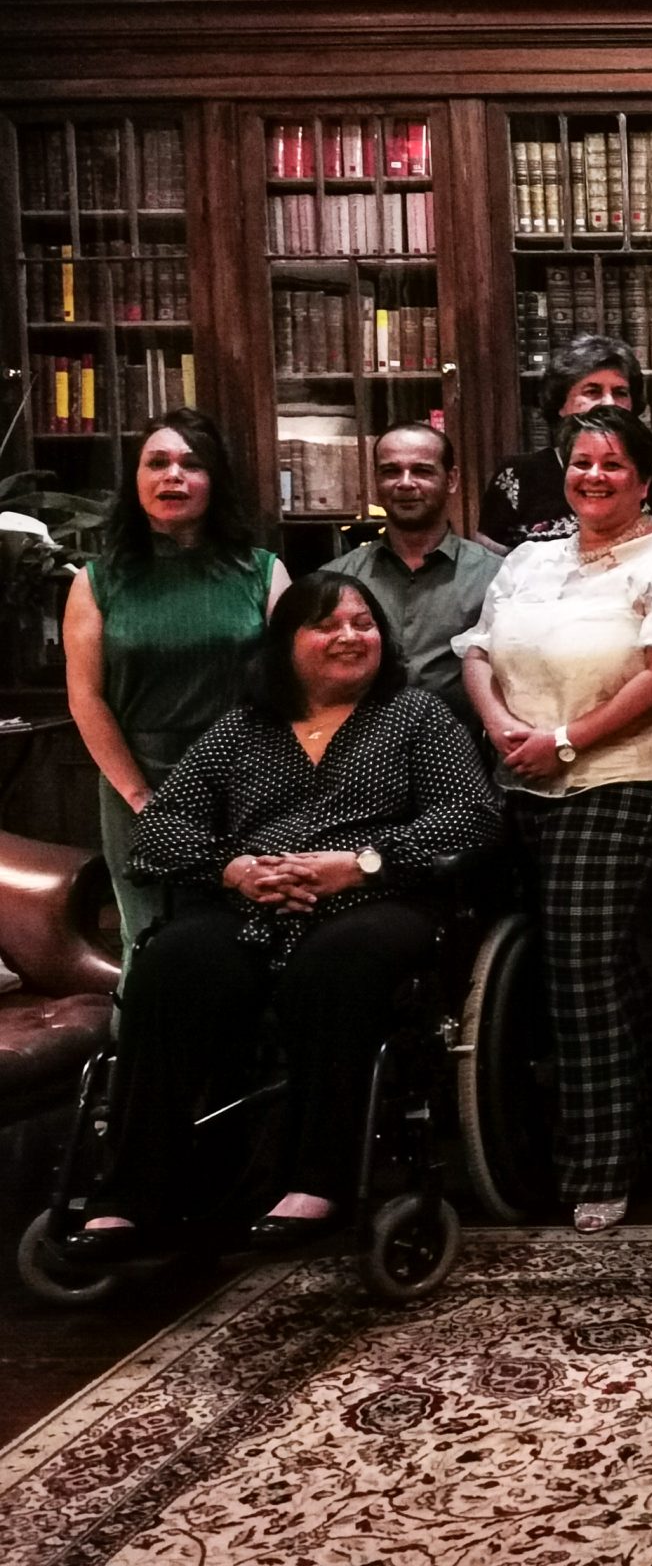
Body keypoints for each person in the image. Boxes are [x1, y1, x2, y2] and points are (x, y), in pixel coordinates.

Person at [67, 574, 499, 1261]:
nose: (350, 636)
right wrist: (233, 868)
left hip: (379, 901)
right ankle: (128, 1195)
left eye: (363, 623)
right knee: (172, 963)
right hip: (255, 906)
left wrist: (360, 863)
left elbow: (469, 818)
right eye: (326, 625)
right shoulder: (243, 729)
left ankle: (317, 1181)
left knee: (336, 964)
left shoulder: (416, 716)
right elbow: (159, 829)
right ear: (285, 643)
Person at [457, 404, 652, 1233]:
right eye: (582, 462)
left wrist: (566, 739)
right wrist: (502, 726)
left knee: (581, 967)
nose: (594, 476)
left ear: (646, 479)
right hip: (522, 777)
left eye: (613, 464)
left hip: (627, 779)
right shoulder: (529, 560)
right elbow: (477, 651)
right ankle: (650, 1129)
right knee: (603, 964)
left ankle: (599, 1165)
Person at [65, 410, 287, 952]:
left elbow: (294, 686)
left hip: (246, 780)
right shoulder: (96, 582)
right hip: (137, 779)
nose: (173, 476)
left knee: (248, 936)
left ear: (215, 481)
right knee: (152, 939)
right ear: (135, 479)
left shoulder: (263, 572)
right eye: (157, 463)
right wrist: (140, 796)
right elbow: (86, 698)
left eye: (192, 464)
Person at [321, 424, 500, 721]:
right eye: (391, 471)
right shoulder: (337, 579)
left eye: (422, 471)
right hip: (360, 744)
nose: (405, 483)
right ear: (376, 480)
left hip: (464, 744)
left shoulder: (495, 577)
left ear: (451, 479)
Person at [478, 333, 647, 549]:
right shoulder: (519, 477)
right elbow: (489, 562)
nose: (608, 403)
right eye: (593, 392)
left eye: (620, 393)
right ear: (561, 404)